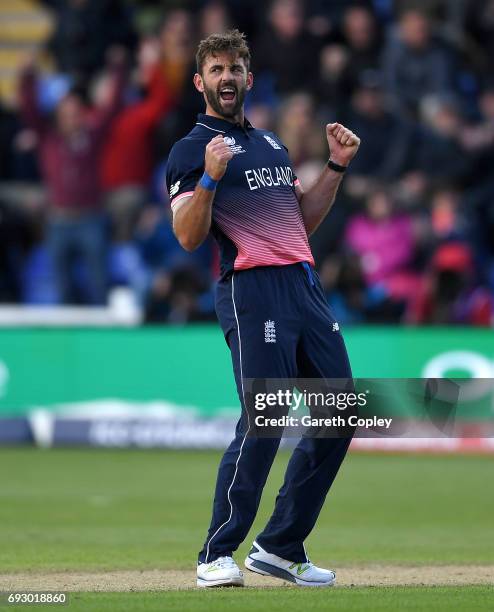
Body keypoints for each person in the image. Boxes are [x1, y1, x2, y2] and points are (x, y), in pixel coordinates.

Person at [165, 30, 360, 588]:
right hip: (251, 289)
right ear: (201, 82)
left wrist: (336, 167)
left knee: (339, 415)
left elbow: (300, 222)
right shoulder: (190, 149)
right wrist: (208, 176)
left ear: (250, 78)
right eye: (218, 69)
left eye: (237, 68)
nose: (228, 78)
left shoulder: (271, 145)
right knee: (267, 418)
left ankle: (279, 546)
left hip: (302, 282)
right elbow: (187, 236)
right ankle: (215, 554)